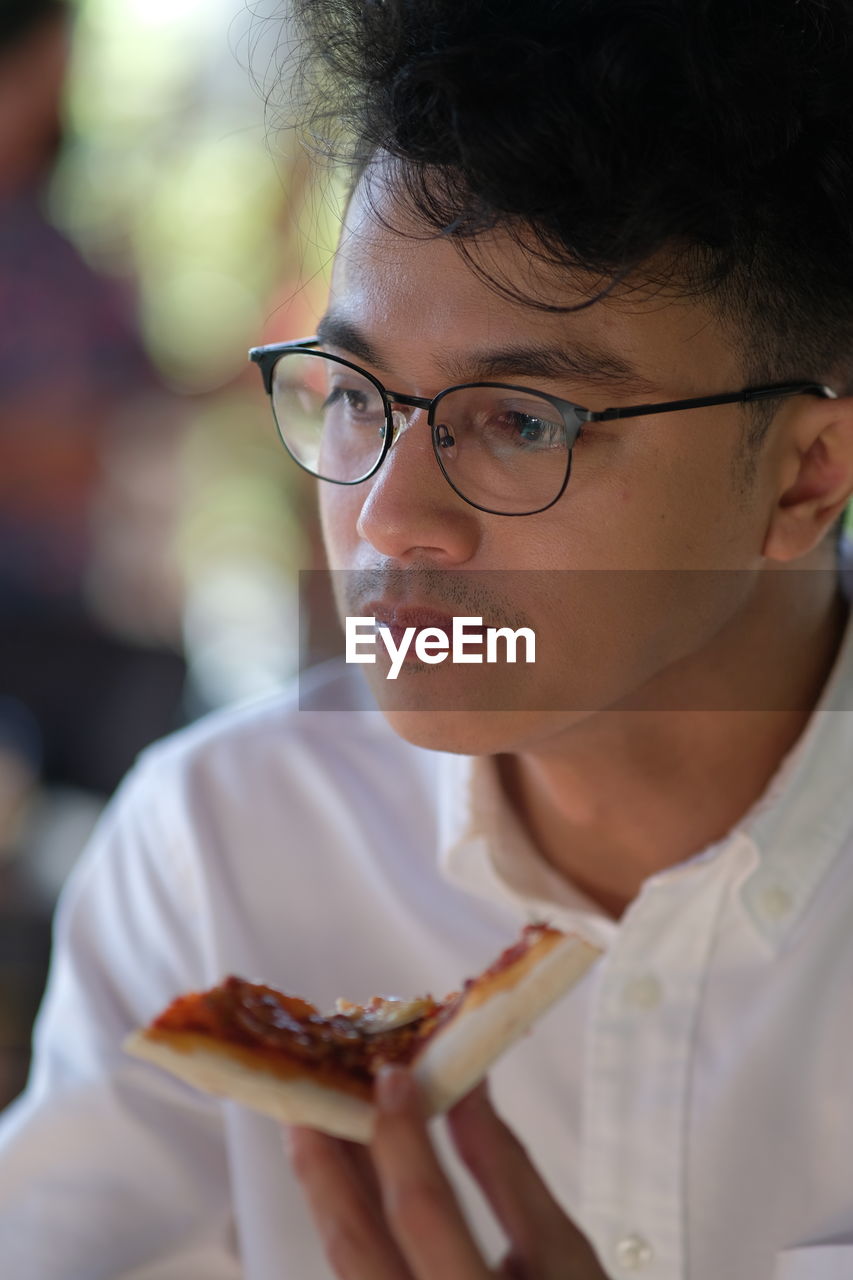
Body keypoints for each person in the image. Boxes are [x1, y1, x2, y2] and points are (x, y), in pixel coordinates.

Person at [1, 1, 853, 1277]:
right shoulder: (220, 849)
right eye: (354, 398)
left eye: (520, 422)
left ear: (804, 475)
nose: (389, 519)